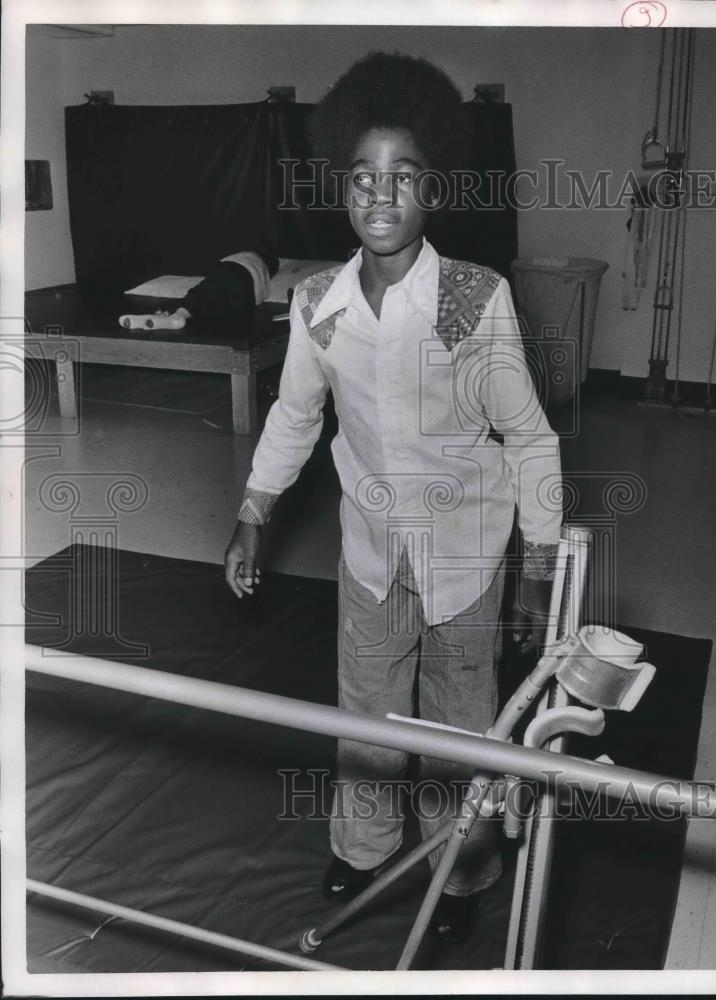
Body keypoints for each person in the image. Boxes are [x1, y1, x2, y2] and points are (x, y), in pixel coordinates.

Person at [224, 51, 562, 945]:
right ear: (342, 187)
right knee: (366, 706)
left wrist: (534, 572)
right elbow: (296, 417)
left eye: (403, 177)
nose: (382, 195)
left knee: (460, 715)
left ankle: (460, 869)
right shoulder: (316, 304)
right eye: (364, 177)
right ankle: (365, 846)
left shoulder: (472, 298)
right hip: (372, 544)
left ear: (434, 191)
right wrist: (253, 514)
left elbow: (530, 436)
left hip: (464, 547)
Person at [118, 249, 278, 331]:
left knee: (202, 293)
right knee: (217, 303)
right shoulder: (260, 264)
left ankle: (169, 314)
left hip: (230, 273)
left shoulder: (245, 256)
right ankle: (172, 316)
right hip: (243, 286)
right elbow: (262, 290)